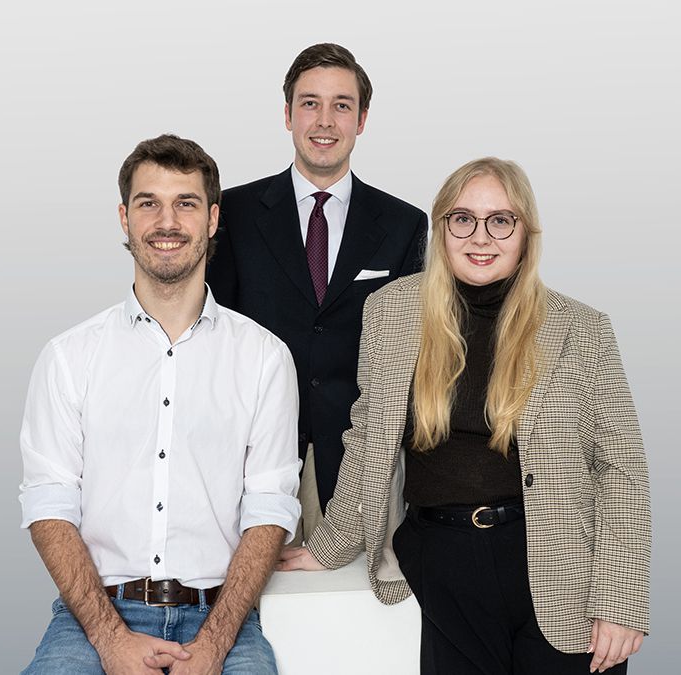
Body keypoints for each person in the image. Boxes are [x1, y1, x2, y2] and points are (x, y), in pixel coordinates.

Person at [278, 158, 651, 674]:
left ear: (526, 233)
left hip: (562, 567)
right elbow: (367, 438)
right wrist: (330, 546)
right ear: (441, 227)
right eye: (463, 219)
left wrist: (620, 601)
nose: (481, 237)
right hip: (443, 565)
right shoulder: (391, 312)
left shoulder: (581, 329)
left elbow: (622, 470)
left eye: (501, 221)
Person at [19, 134, 301, 674]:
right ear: (124, 218)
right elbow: (48, 506)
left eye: (185, 203)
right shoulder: (68, 357)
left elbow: (269, 509)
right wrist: (111, 641)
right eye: (149, 203)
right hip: (93, 617)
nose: (166, 222)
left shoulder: (264, 358)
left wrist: (214, 644)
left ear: (213, 219)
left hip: (221, 618)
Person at [207, 43, 428, 542]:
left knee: (354, 591)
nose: (324, 121)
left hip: (358, 467)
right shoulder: (232, 214)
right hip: (249, 462)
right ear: (287, 115)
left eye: (341, 105)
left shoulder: (404, 225)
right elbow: (214, 337)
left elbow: (403, 362)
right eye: (310, 103)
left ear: (362, 119)